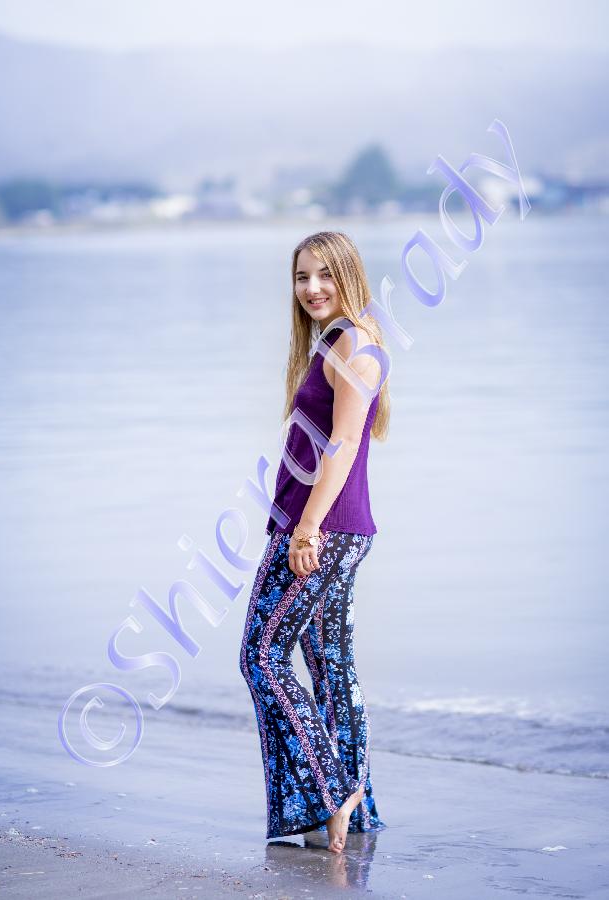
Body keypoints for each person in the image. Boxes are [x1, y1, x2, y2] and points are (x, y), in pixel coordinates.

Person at [240, 230, 391, 853]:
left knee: (261, 656)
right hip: (338, 527)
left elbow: (344, 444)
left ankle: (331, 793)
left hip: (319, 530)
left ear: (349, 275)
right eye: (302, 276)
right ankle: (356, 810)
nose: (312, 288)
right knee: (331, 668)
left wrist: (305, 530)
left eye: (325, 274)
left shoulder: (351, 345)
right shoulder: (344, 340)